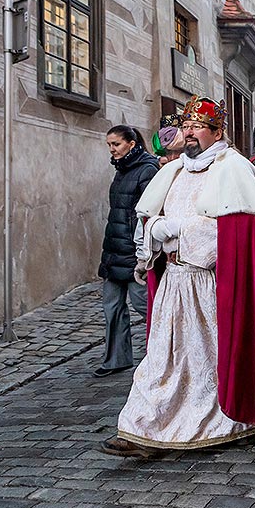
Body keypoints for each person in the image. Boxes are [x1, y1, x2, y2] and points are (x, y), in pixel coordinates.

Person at [100, 95, 255, 458]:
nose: (188, 134)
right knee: (161, 357)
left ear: (217, 131)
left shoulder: (231, 168)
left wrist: (177, 231)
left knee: (205, 361)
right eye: (186, 127)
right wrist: (157, 227)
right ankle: (141, 426)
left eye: (196, 128)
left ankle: (225, 422)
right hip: (173, 280)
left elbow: (231, 232)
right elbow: (151, 216)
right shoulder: (174, 170)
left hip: (208, 286)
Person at [95, 125, 159, 378]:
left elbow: (149, 214)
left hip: (135, 252)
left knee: (146, 306)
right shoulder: (121, 170)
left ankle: (165, 356)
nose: (112, 149)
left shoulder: (148, 169)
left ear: (131, 144)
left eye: (116, 144)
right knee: (111, 306)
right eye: (109, 145)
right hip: (114, 249)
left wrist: (144, 253)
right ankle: (116, 360)